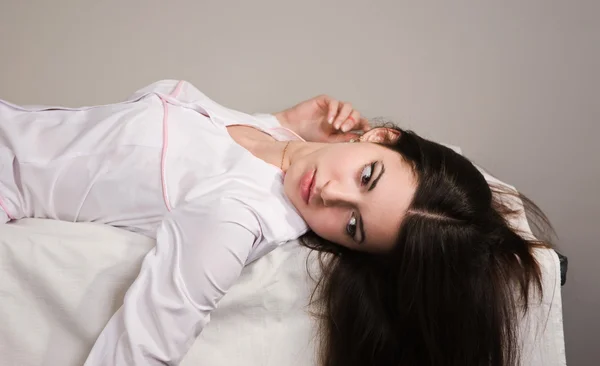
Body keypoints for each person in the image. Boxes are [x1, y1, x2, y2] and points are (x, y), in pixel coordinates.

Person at [0, 80, 553, 366]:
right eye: (366, 177)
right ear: (379, 137)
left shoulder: (238, 218)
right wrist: (282, 125)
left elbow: (146, 342)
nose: (332, 196)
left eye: (354, 227)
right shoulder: (285, 144)